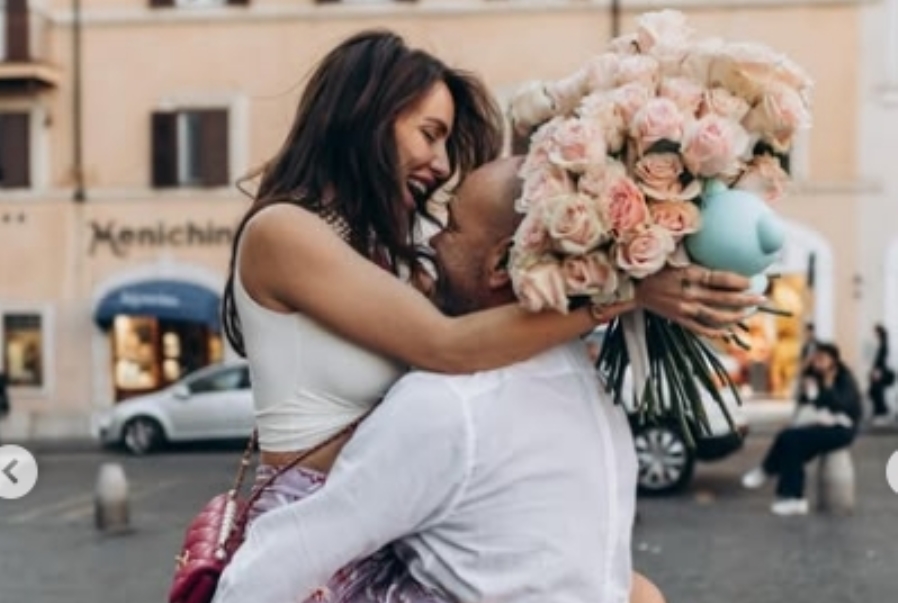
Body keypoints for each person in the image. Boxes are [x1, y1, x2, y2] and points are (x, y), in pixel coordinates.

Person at [217, 28, 756, 600]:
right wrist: (629, 289)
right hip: (317, 535)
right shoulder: (284, 232)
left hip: (401, 525)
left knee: (632, 591)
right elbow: (448, 344)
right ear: (365, 118)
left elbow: (497, 290)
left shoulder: (385, 247)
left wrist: (622, 228)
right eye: (430, 134)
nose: (440, 162)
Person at [214, 157, 662, 603]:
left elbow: (289, 557)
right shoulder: (590, 390)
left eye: (451, 226)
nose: (432, 240)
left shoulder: (450, 403)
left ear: (501, 262)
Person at [741, 342, 861, 516]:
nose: (817, 363)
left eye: (822, 359)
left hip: (841, 429)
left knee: (792, 441)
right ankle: (789, 494)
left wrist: (828, 387)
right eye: (815, 359)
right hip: (818, 424)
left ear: (833, 360)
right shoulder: (813, 376)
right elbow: (807, 405)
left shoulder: (844, 378)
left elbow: (843, 405)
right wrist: (809, 390)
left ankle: (773, 475)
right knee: (788, 439)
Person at [868, 323, 894, 425]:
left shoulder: (884, 344)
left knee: (877, 392)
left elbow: (882, 359)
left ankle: (882, 413)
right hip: (879, 371)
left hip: (881, 371)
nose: (874, 334)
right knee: (875, 392)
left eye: (875, 332)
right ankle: (880, 413)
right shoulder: (882, 343)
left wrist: (877, 371)